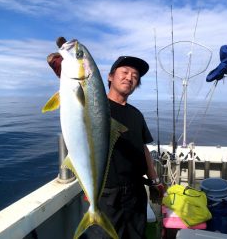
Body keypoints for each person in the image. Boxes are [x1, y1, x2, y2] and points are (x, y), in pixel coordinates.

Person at [47, 37, 163, 239]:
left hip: (136, 192)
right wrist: (67, 73)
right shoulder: (99, 107)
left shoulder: (136, 114)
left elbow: (142, 148)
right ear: (109, 77)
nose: (130, 77)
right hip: (107, 194)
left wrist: (154, 180)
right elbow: (84, 108)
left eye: (135, 76)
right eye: (124, 72)